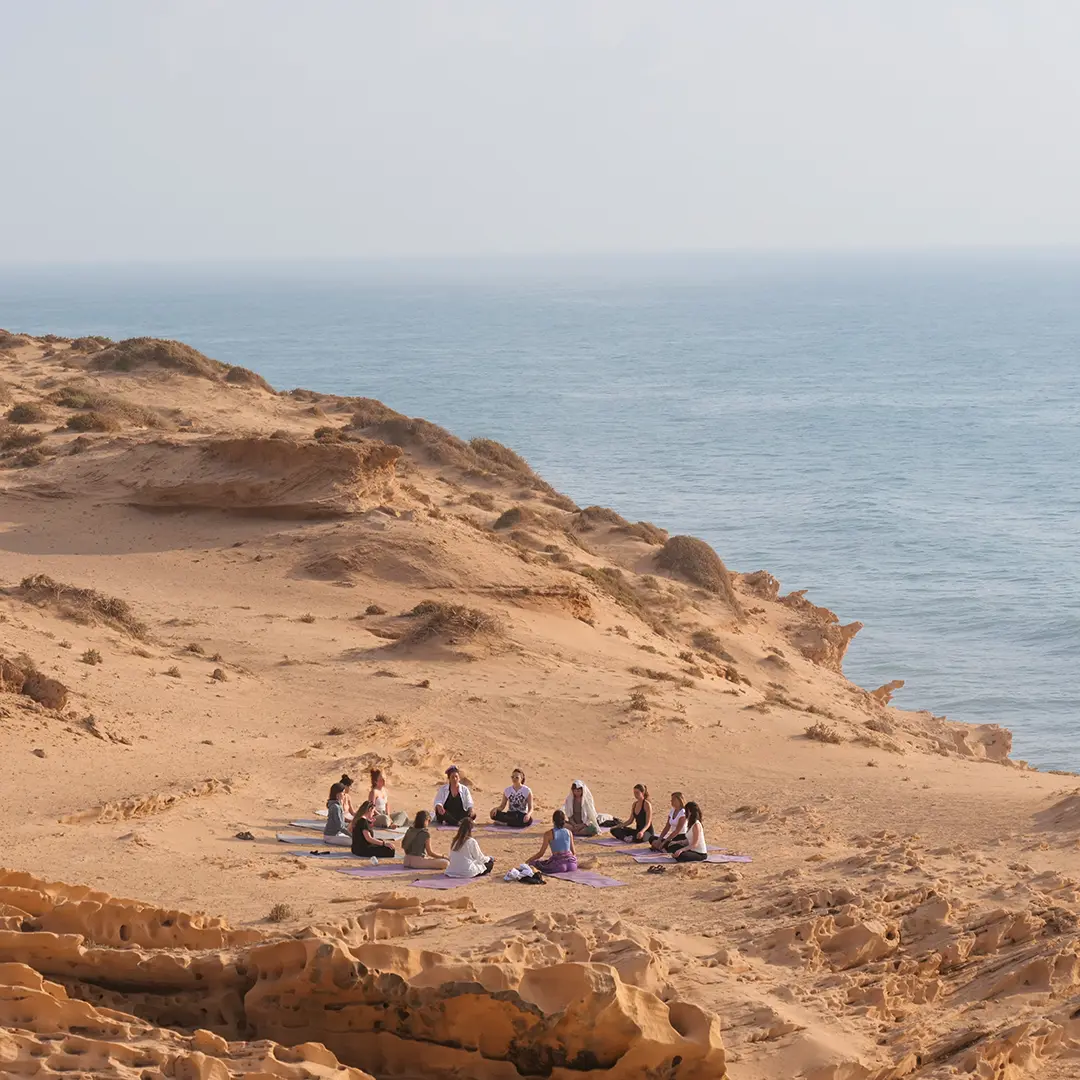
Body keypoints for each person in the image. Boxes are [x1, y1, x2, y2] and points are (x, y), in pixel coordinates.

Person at [528, 810, 578, 874]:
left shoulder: (548, 834)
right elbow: (574, 853)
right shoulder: (569, 832)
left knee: (535, 864)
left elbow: (541, 853)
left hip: (559, 865)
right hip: (572, 864)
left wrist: (529, 860)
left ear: (553, 821)